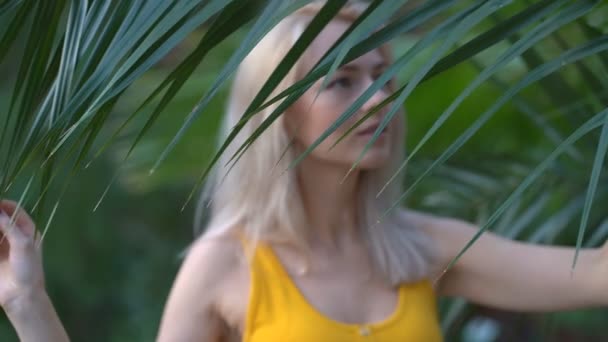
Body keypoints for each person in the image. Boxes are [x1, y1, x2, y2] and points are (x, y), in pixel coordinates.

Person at [1, 2, 607, 341]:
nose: (378, 101)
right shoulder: (226, 266)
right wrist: (28, 303)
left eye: (381, 78)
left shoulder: (424, 247)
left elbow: (595, 278)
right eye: (342, 82)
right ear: (281, 116)